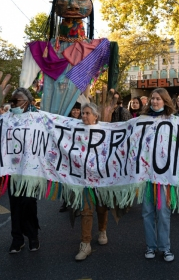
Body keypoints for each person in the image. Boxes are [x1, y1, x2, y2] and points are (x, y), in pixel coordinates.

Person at [141, 88, 175, 262]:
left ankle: (165, 247)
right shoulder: (142, 121)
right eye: (152, 99)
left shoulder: (173, 121)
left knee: (163, 212)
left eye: (158, 99)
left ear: (165, 101)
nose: (154, 102)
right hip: (146, 174)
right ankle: (150, 246)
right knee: (147, 212)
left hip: (164, 174)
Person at [74, 102, 110, 261]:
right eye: (83, 113)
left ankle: (102, 230)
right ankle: (85, 243)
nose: (84, 116)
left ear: (96, 116)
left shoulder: (106, 130)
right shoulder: (74, 128)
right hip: (84, 178)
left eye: (88, 113)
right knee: (86, 210)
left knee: (101, 208)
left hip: (101, 177)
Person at [7, 88, 41, 254]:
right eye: (11, 101)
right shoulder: (6, 119)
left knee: (28, 202)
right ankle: (17, 238)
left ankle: (33, 235)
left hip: (31, 171)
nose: (13, 104)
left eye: (16, 101)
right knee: (15, 205)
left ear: (27, 102)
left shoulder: (40, 119)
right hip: (12, 171)